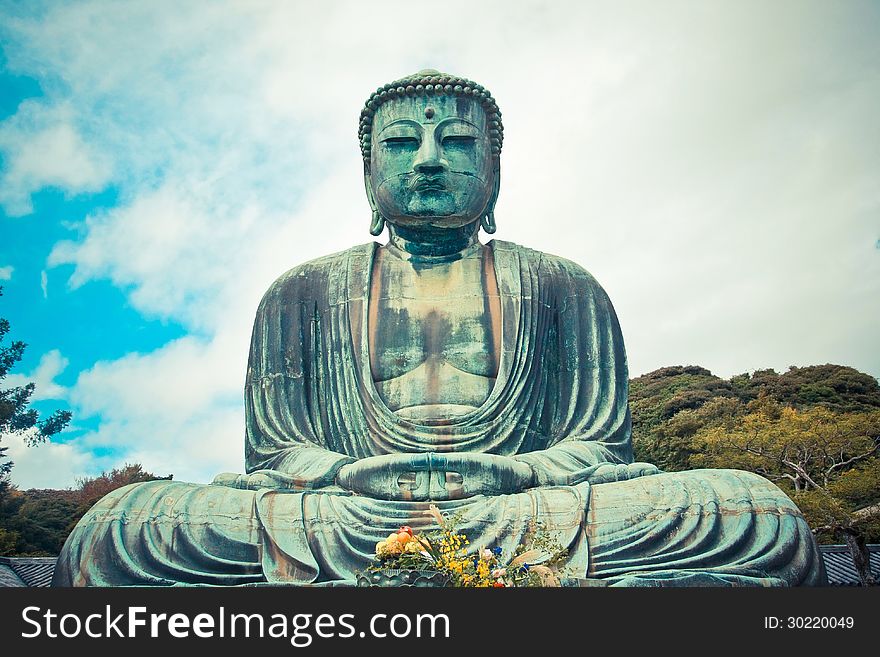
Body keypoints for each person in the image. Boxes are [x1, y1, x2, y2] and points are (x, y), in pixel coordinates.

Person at [53, 70, 826, 587]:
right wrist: (347, 474)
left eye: (456, 142)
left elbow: (599, 448)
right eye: (400, 143)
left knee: (756, 514)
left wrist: (515, 473)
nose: (427, 159)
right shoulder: (300, 294)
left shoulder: (562, 285)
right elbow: (277, 451)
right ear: (367, 169)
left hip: (524, 509)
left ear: (495, 165)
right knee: (118, 527)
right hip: (345, 515)